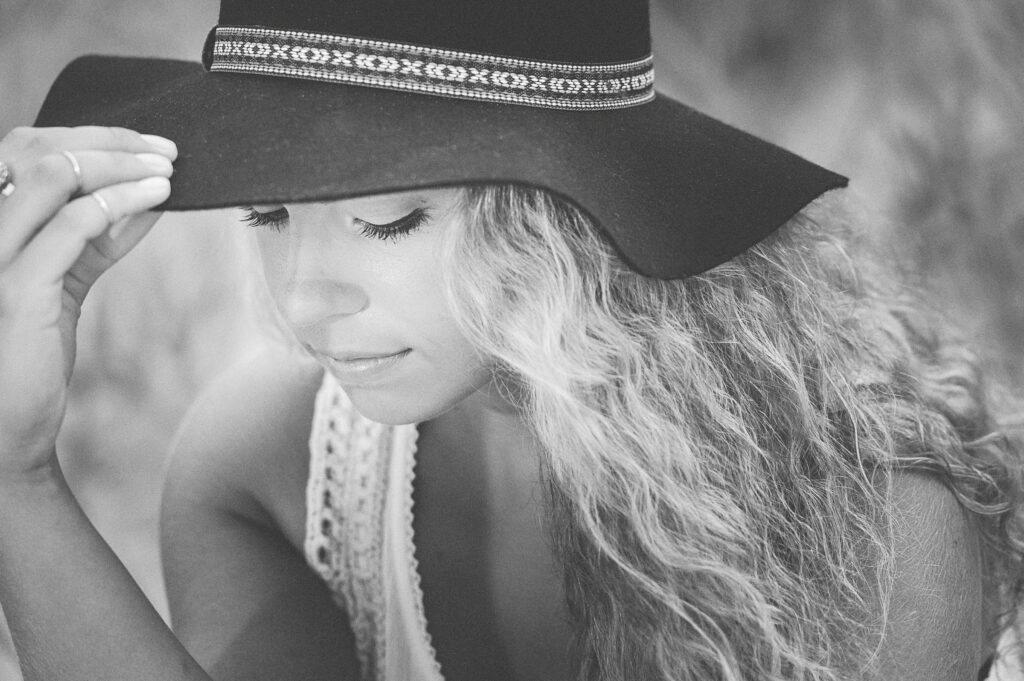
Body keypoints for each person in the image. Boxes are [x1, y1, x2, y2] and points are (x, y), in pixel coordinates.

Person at [0, 1, 1021, 680]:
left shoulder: (867, 525)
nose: (306, 304)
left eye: (389, 218)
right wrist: (16, 475)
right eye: (268, 214)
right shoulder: (267, 465)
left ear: (568, 214)